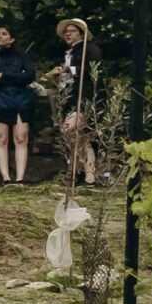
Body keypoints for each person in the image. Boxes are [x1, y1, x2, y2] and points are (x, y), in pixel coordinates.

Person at [0, 24, 36, 184]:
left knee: (21, 137)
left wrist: (4, 75)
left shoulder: (22, 56)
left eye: (4, 34)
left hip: (21, 99)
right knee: (1, 138)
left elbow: (30, 76)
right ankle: (6, 178)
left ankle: (20, 178)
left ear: (11, 38)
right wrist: (16, 76)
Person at [52, 17, 101, 183]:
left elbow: (91, 70)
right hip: (72, 98)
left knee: (70, 130)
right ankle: (87, 174)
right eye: (66, 32)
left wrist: (69, 69)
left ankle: (84, 172)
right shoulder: (70, 52)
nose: (67, 34)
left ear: (81, 34)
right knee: (81, 137)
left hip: (86, 98)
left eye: (71, 31)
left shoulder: (90, 49)